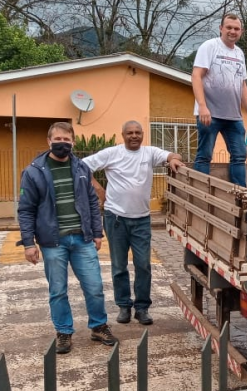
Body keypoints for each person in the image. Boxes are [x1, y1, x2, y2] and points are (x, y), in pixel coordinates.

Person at [17, 122, 118, 354]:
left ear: (73, 142)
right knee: (58, 290)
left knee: (94, 287)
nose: (62, 144)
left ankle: (98, 326)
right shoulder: (33, 171)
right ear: (48, 141)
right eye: (58, 140)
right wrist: (29, 243)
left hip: (82, 239)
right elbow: (26, 210)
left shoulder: (81, 168)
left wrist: (97, 232)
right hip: (53, 243)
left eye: (66, 140)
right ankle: (63, 331)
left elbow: (92, 201)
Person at [83, 121, 184, 326]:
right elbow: (81, 167)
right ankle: (123, 306)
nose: (134, 136)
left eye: (138, 132)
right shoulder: (112, 153)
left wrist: (174, 160)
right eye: (130, 133)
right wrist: (98, 189)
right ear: (123, 135)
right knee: (119, 266)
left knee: (143, 265)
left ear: (143, 134)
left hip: (141, 220)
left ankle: (142, 308)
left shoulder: (149, 153)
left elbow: (173, 155)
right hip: (116, 218)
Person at [191, 13, 247, 186]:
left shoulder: (239, 53)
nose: (232, 31)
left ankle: (240, 194)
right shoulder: (210, 46)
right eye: (229, 27)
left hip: (233, 116)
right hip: (210, 114)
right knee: (204, 155)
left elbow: (242, 85)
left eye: (236, 28)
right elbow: (196, 76)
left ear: (241, 31)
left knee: (240, 155)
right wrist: (202, 106)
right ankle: (200, 194)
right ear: (221, 28)